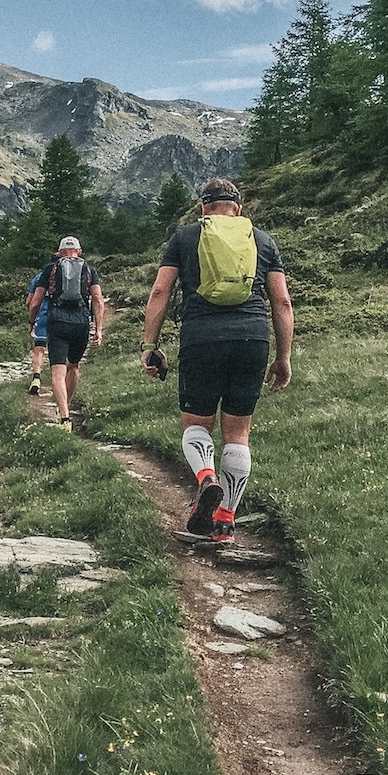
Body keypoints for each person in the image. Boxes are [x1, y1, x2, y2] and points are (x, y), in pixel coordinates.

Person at [139, 178, 293, 544]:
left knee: (197, 423)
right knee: (238, 433)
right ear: (238, 208)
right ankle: (225, 522)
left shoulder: (185, 236)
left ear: (203, 208)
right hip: (252, 338)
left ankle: (206, 477)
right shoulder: (263, 240)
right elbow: (282, 302)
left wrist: (149, 344)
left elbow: (161, 290)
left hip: (201, 338)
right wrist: (283, 356)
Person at [27, 236, 106, 426]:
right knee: (74, 366)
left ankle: (64, 418)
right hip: (81, 323)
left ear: (60, 252)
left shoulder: (50, 269)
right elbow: (98, 300)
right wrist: (99, 329)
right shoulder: (89, 269)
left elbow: (35, 301)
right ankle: (66, 405)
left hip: (57, 322)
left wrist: (32, 321)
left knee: (57, 372)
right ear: (79, 251)